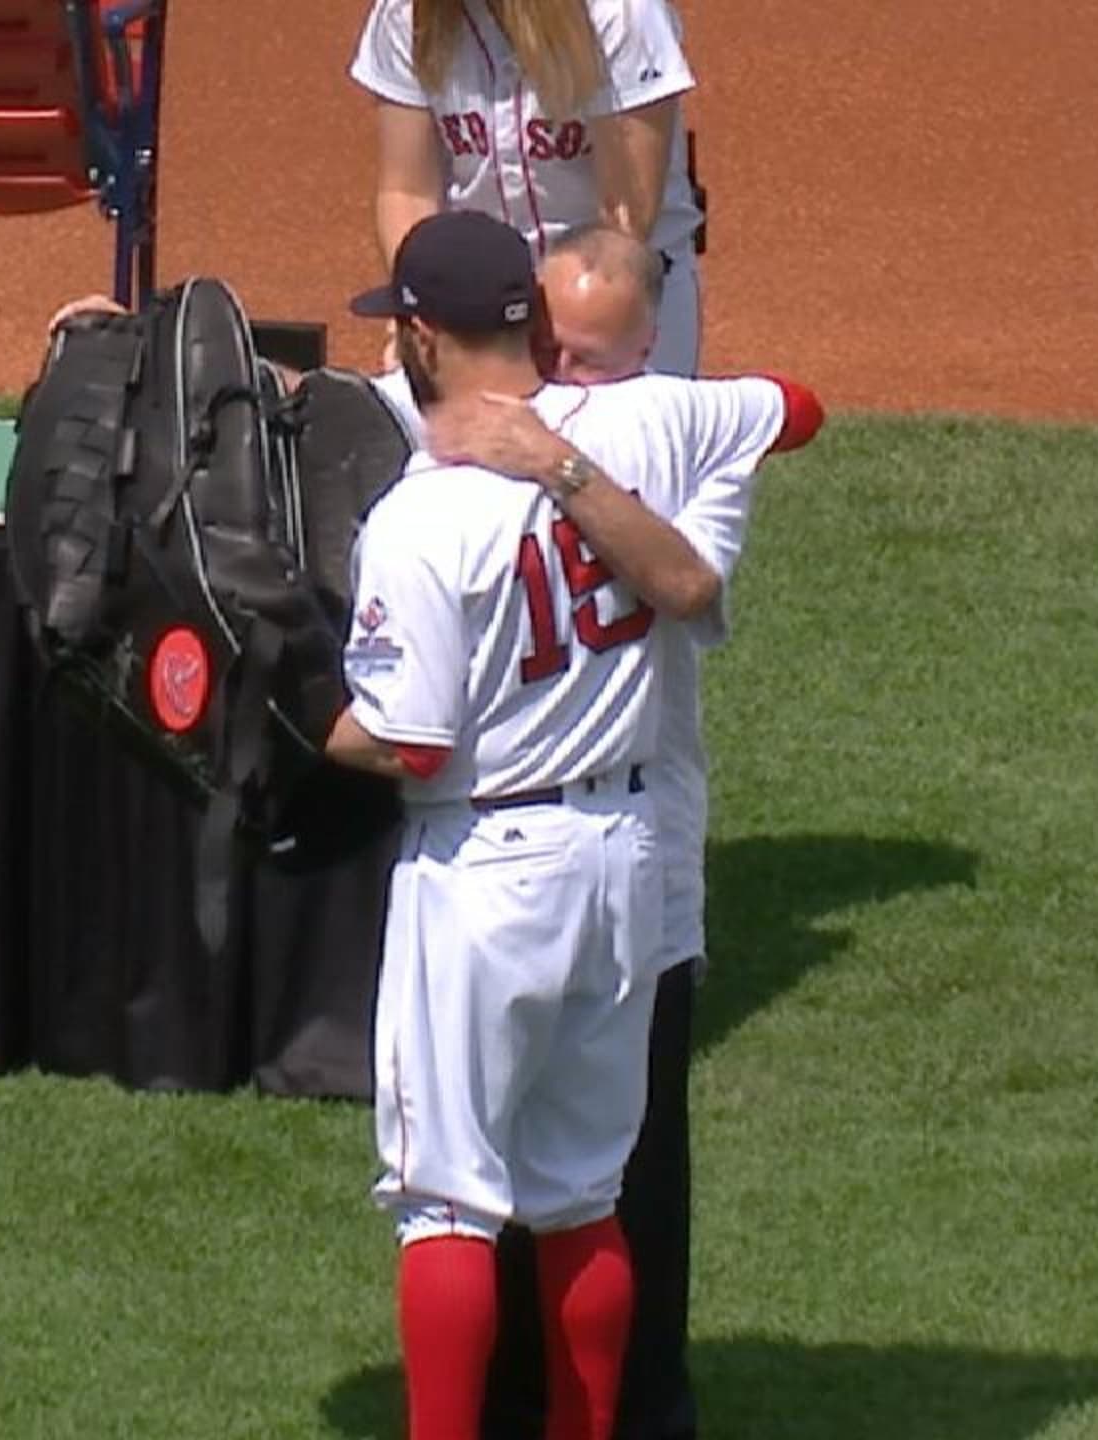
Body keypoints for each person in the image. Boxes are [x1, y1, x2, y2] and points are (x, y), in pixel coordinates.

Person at [330, 210, 813, 1440]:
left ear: (425, 340)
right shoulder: (646, 428)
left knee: (444, 1205)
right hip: (621, 871)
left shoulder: (420, 520)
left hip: (487, 875)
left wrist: (276, 717)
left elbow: (409, 742)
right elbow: (794, 410)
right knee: (583, 1198)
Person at [350, 0, 710, 374]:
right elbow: (408, 193)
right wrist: (422, 307)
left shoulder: (620, 12)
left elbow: (623, 218)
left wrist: (534, 327)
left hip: (610, 296)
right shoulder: (407, 14)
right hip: (481, 304)